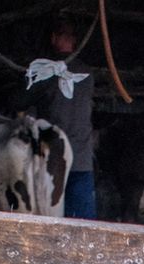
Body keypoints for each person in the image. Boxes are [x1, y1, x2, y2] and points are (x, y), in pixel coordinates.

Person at [23, 19, 96, 218]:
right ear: (74, 41)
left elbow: (20, 101)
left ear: (54, 38)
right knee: (83, 222)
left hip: (52, 160)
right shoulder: (87, 74)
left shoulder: (44, 72)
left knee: (49, 219)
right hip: (81, 157)